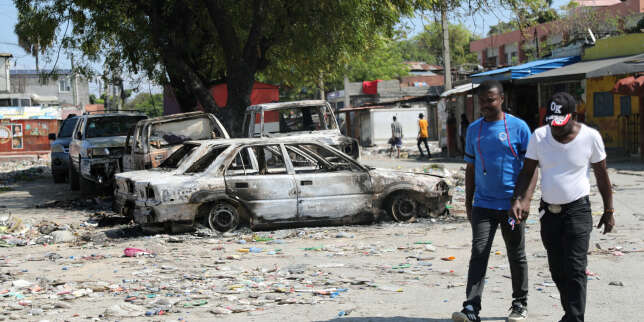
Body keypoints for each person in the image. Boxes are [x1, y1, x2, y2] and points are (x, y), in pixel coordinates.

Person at [510, 92, 614, 322]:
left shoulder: (590, 137)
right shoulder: (539, 136)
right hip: (549, 212)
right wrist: (519, 199)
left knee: (576, 267)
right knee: (557, 269)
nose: (555, 130)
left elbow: (602, 176)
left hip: (578, 210)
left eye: (561, 125)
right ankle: (571, 314)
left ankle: (575, 318)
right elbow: (527, 172)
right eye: (552, 124)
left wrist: (609, 211)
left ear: (574, 116)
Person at [452, 80, 537, 322]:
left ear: (501, 99)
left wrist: (524, 200)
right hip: (483, 205)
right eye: (481, 102)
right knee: (479, 252)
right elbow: (471, 169)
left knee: (516, 254)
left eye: (490, 100)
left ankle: (519, 305)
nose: (486, 105)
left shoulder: (519, 128)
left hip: (512, 206)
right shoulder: (474, 130)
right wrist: (469, 202)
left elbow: (531, 169)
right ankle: (471, 308)